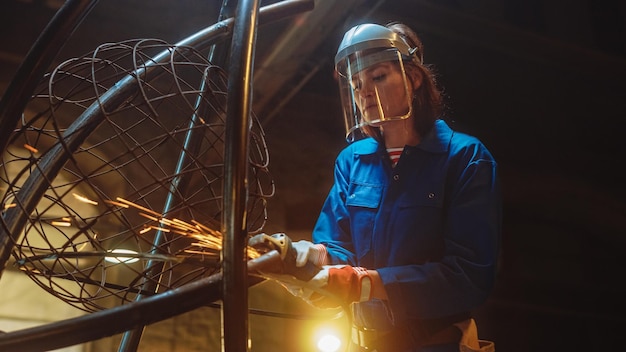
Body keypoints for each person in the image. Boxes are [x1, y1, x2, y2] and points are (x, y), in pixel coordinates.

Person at [273, 21, 501, 352]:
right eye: (355, 84)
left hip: (439, 344)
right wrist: (310, 257)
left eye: (378, 77)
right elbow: (339, 248)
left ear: (414, 78)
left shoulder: (465, 157)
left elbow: (469, 276)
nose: (364, 92)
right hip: (363, 344)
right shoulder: (352, 161)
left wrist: (367, 284)